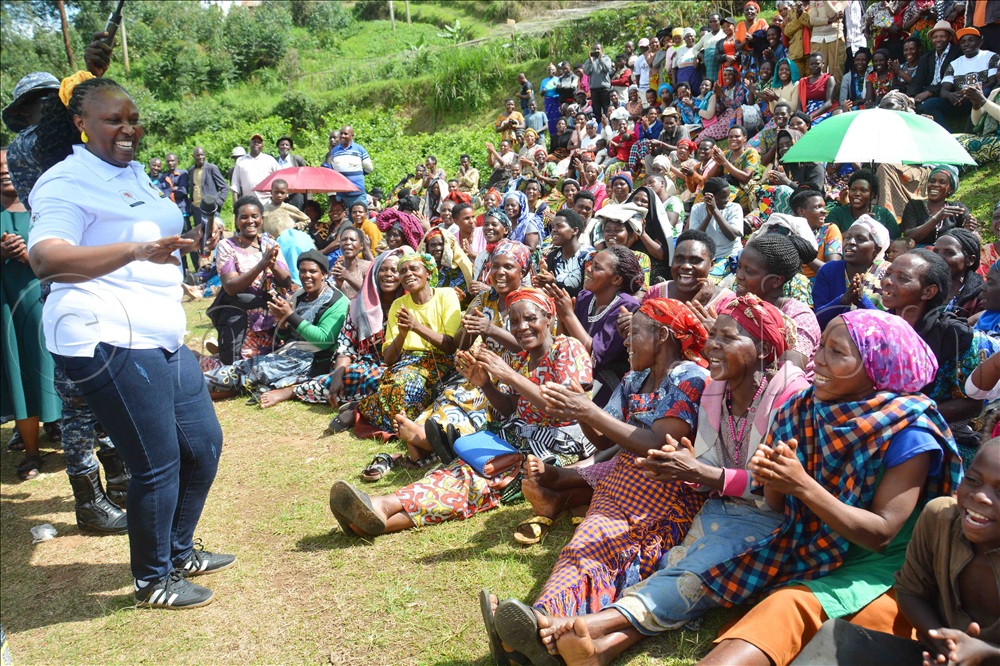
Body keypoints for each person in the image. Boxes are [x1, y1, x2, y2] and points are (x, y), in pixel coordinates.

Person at [28, 75, 231, 609]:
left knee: (203, 445)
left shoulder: (134, 172)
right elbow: (46, 258)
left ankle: (180, 551)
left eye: (133, 119)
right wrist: (136, 251)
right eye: (113, 120)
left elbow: (147, 233)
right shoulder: (65, 182)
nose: (127, 128)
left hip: (159, 327)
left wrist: (173, 249)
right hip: (103, 330)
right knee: (156, 460)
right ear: (80, 123)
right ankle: (153, 580)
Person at [522, 296, 810, 665]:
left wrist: (698, 472)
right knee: (670, 570)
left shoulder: (788, 399)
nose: (712, 345)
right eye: (713, 336)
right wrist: (683, 468)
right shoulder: (714, 392)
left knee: (690, 576)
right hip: (718, 507)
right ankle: (600, 652)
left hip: (774, 522)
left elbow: (778, 494)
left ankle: (585, 624)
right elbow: (699, 470)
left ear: (765, 349)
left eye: (728, 338)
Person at [697, 308, 962, 666]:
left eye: (837, 353)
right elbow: (777, 506)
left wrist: (803, 485)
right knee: (785, 608)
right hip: (813, 546)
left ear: (876, 365)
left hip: (886, 568)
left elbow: (881, 534)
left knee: (843, 632)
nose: (818, 360)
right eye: (821, 347)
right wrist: (774, 477)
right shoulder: (801, 408)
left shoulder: (907, 430)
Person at [487, 298, 711, 665]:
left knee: (595, 549)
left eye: (635, 333)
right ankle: (539, 627)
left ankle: (536, 626)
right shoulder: (632, 378)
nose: (627, 341)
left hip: (663, 489)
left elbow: (660, 444)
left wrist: (588, 410)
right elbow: (607, 442)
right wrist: (581, 410)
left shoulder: (690, 377)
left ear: (663, 336)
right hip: (622, 479)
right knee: (583, 547)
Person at [328, 288, 594, 537]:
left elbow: (563, 409)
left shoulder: (567, 349)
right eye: (514, 321)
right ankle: (373, 521)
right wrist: (486, 384)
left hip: (556, 444)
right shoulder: (521, 358)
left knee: (478, 483)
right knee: (460, 471)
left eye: (530, 318)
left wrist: (510, 376)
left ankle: (382, 505)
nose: (522, 327)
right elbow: (510, 407)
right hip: (513, 437)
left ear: (549, 317)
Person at [792, 438, 1000, 666]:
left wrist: (985, 652)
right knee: (836, 640)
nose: (980, 495)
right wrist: (945, 643)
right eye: (972, 480)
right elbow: (910, 591)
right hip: (940, 656)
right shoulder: (940, 519)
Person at [385, 240, 531, 476]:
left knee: (479, 399)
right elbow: (457, 344)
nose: (499, 273)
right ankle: (424, 433)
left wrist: (491, 329)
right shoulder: (485, 300)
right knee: (455, 393)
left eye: (508, 267)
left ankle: (426, 440)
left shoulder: (532, 301)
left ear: (522, 271)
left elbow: (535, 349)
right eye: (495, 267)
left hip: (517, 373)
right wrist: (467, 329)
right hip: (485, 366)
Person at [881, 249, 1000, 465]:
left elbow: (973, 404)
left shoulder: (955, 336)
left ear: (928, 292)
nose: (888, 281)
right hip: (881, 424)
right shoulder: (875, 328)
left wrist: (908, 416)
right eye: (888, 273)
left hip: (936, 433)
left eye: (902, 278)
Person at [206, 250, 347, 405]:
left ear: (324, 275)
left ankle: (198, 384)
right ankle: (198, 385)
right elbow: (285, 337)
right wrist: (283, 324)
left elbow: (324, 341)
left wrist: (291, 316)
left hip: (314, 361)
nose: (307, 275)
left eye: (313, 271)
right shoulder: (300, 295)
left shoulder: (336, 301)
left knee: (253, 370)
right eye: (302, 271)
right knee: (248, 371)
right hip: (289, 354)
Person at [1, 147, 61, 481]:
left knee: (54, 366)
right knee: (19, 371)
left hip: (47, 303)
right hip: (8, 307)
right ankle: (30, 451)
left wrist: (30, 257)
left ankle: (60, 426)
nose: (3, 170)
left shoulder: (44, 205)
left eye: (8, 163)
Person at [355, 252, 461, 433]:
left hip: (442, 362)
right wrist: (402, 334)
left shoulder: (446, 296)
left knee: (403, 387)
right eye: (402, 271)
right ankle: (403, 424)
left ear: (428, 273)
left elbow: (451, 346)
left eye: (414, 268)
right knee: (396, 383)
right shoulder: (399, 304)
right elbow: (389, 360)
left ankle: (365, 411)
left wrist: (416, 326)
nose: (408, 274)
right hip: (406, 364)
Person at [293, 248, 407, 410]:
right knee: (348, 375)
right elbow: (346, 346)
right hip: (364, 365)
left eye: (394, 271)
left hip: (398, 366)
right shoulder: (360, 304)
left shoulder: (409, 304)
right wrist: (338, 376)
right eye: (383, 269)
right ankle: (294, 391)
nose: (388, 274)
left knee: (388, 381)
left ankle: (357, 403)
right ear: (374, 273)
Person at [549, 246, 644, 407]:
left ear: (616, 280)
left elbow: (593, 357)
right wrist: (561, 316)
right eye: (591, 264)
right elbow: (565, 342)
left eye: (597, 267)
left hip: (607, 384)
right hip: (578, 374)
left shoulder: (627, 305)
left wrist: (568, 315)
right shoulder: (585, 297)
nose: (589, 269)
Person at [210, 196, 293, 365]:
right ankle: (203, 360)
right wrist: (261, 266)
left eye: (255, 216)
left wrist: (272, 265)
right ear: (236, 220)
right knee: (239, 371)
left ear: (262, 219)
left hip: (270, 320)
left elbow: (286, 281)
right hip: (241, 321)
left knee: (270, 365)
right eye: (244, 217)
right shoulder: (227, 246)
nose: (250, 221)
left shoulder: (269, 243)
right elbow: (231, 287)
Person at [813, 215, 891, 330]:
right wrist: (843, 300)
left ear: (877, 250)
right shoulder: (829, 270)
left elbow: (889, 325)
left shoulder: (887, 274)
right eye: (848, 237)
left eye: (860, 239)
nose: (851, 242)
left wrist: (862, 300)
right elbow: (818, 318)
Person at [909, 20, 963, 127]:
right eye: (935, 37)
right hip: (926, 92)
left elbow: (954, 80)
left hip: (947, 94)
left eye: (942, 36)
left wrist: (930, 92)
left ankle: (946, 135)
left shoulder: (958, 54)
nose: (938, 40)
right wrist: (911, 97)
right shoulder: (926, 58)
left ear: (949, 38)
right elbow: (918, 80)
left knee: (929, 105)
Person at [901, 164, 972, 244]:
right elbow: (908, 238)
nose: (935, 184)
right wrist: (937, 218)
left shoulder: (957, 209)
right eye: (932, 181)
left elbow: (976, 239)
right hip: (919, 254)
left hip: (947, 254)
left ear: (950, 189)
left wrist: (968, 230)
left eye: (942, 182)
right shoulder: (914, 205)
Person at [827, 168, 900, 239]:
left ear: (872, 195)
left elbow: (895, 241)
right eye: (853, 189)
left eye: (863, 190)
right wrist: (859, 224)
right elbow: (829, 241)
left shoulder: (883, 214)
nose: (857, 193)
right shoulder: (837, 213)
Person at [537, 209, 594, 298]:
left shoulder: (589, 256)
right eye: (553, 227)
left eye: (559, 226)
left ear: (574, 231)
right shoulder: (553, 256)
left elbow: (587, 295)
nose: (553, 230)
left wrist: (555, 284)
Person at [690, 177, 745, 265]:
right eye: (722, 197)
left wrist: (715, 210)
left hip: (731, 255)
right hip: (709, 256)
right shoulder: (697, 209)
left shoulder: (734, 208)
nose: (727, 200)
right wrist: (709, 216)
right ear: (709, 197)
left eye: (728, 196)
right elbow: (695, 238)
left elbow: (732, 236)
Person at [708, 125, 761, 214]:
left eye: (737, 136)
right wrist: (717, 162)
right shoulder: (726, 154)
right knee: (706, 191)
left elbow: (746, 178)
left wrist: (724, 161)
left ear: (744, 138)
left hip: (745, 191)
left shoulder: (751, 153)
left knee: (720, 197)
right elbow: (709, 178)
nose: (733, 139)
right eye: (730, 137)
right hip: (727, 188)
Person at [935, 228, 986, 318]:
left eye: (948, 253)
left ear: (970, 260)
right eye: (935, 252)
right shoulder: (924, 288)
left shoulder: (981, 297)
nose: (938, 258)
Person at [792, 188, 842, 280]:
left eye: (824, 207)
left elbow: (833, 271)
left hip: (820, 285)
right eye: (817, 207)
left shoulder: (829, 230)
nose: (824, 211)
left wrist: (804, 253)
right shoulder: (788, 231)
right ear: (801, 212)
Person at [324, 125, 373, 208]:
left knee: (359, 218)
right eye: (341, 133)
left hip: (357, 193)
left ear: (352, 136)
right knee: (343, 219)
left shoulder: (359, 149)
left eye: (346, 134)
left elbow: (369, 168)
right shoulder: (334, 151)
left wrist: (359, 175)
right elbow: (330, 171)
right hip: (341, 193)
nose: (343, 136)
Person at [700, 67, 752, 141]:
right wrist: (717, 98)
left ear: (735, 76)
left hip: (734, 115)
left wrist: (722, 95)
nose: (727, 77)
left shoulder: (740, 87)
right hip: (723, 116)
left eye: (729, 75)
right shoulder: (724, 89)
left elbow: (737, 105)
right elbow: (719, 110)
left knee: (707, 133)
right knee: (704, 131)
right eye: (725, 75)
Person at [954, 84, 1000, 164]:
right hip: (987, 137)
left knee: (959, 147)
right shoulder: (995, 92)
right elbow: (977, 123)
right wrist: (976, 104)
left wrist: (982, 100)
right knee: (948, 139)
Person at [187, 147, 229, 232]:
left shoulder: (211, 168)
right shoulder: (191, 170)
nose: (201, 157)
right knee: (200, 234)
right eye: (198, 155)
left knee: (214, 233)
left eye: (202, 155)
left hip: (210, 209)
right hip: (196, 209)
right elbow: (192, 188)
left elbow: (224, 187)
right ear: (193, 156)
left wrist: (218, 202)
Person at [230, 132, 279, 204]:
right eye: (254, 142)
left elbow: (279, 180)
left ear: (262, 146)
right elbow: (235, 185)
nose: (256, 144)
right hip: (248, 202)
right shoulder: (241, 161)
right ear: (250, 144)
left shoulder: (270, 160)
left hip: (268, 202)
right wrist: (235, 205)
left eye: (259, 142)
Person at [799, 52, 840, 124]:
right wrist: (801, 116)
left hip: (824, 111)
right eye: (812, 64)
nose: (814, 66)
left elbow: (829, 102)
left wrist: (812, 116)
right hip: (807, 112)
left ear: (823, 64)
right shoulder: (803, 81)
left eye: (817, 63)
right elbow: (799, 104)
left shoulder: (829, 79)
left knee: (815, 125)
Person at [583, 43, 613, 117]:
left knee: (606, 108)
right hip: (594, 89)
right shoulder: (589, 60)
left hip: (604, 88)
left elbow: (608, 69)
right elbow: (586, 72)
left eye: (598, 49)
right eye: (594, 49)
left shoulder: (606, 58)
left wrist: (600, 59)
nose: (596, 50)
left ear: (601, 50)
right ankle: (598, 126)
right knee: (597, 110)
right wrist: (590, 61)